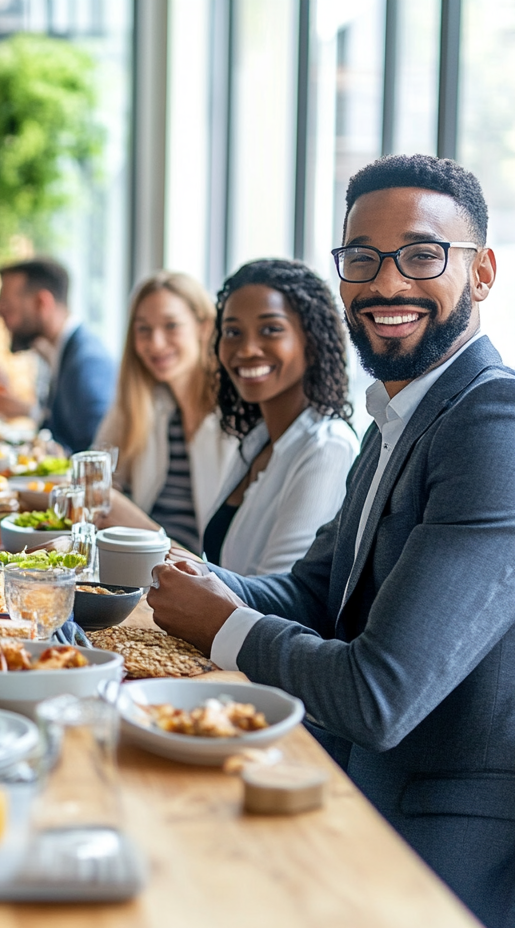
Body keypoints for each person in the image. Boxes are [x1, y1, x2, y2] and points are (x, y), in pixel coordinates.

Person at [148, 155, 515, 928]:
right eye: (361, 258)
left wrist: (221, 622)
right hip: (339, 782)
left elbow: (380, 695)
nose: (385, 284)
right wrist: (182, 576)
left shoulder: (492, 425)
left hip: (435, 848)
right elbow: (314, 592)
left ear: (481, 272)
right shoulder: (395, 420)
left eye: (421, 255)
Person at [199, 259, 358, 574]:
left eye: (270, 329)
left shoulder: (327, 448)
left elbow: (280, 592)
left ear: (311, 341)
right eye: (232, 332)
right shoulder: (258, 439)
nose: (246, 349)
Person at [92, 271, 236, 552]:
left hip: (197, 574)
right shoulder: (142, 401)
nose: (155, 343)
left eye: (171, 326)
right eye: (143, 329)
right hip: (134, 562)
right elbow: (95, 482)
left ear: (204, 328)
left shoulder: (235, 413)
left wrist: (133, 521)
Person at [0, 257, 115, 454]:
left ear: (41, 303)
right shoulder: (57, 352)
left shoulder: (86, 362)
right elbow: (64, 428)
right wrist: (27, 410)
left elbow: (96, 454)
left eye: (7, 307)